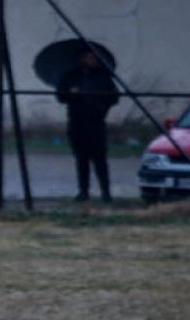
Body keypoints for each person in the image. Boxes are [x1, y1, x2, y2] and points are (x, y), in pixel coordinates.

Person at [56, 47, 119, 203]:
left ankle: (106, 192)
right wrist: (71, 93)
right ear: (81, 59)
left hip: (96, 122)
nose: (92, 61)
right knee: (81, 159)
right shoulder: (71, 76)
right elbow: (60, 96)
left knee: (100, 159)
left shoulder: (103, 76)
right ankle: (83, 191)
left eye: (94, 58)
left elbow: (114, 97)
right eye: (88, 57)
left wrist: (100, 105)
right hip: (76, 122)